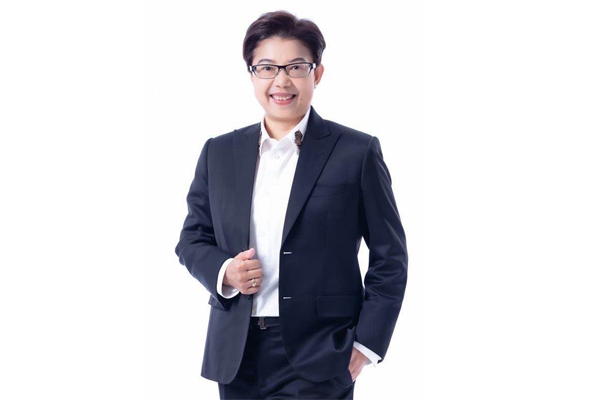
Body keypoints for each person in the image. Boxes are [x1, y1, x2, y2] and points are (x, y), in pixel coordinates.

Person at [175, 10, 408, 399]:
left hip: (321, 353)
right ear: (252, 74)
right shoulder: (219, 152)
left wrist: (366, 344)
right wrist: (225, 271)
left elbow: (390, 257)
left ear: (317, 74)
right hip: (236, 352)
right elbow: (192, 239)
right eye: (267, 67)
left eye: (296, 67)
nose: (281, 80)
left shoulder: (356, 152)